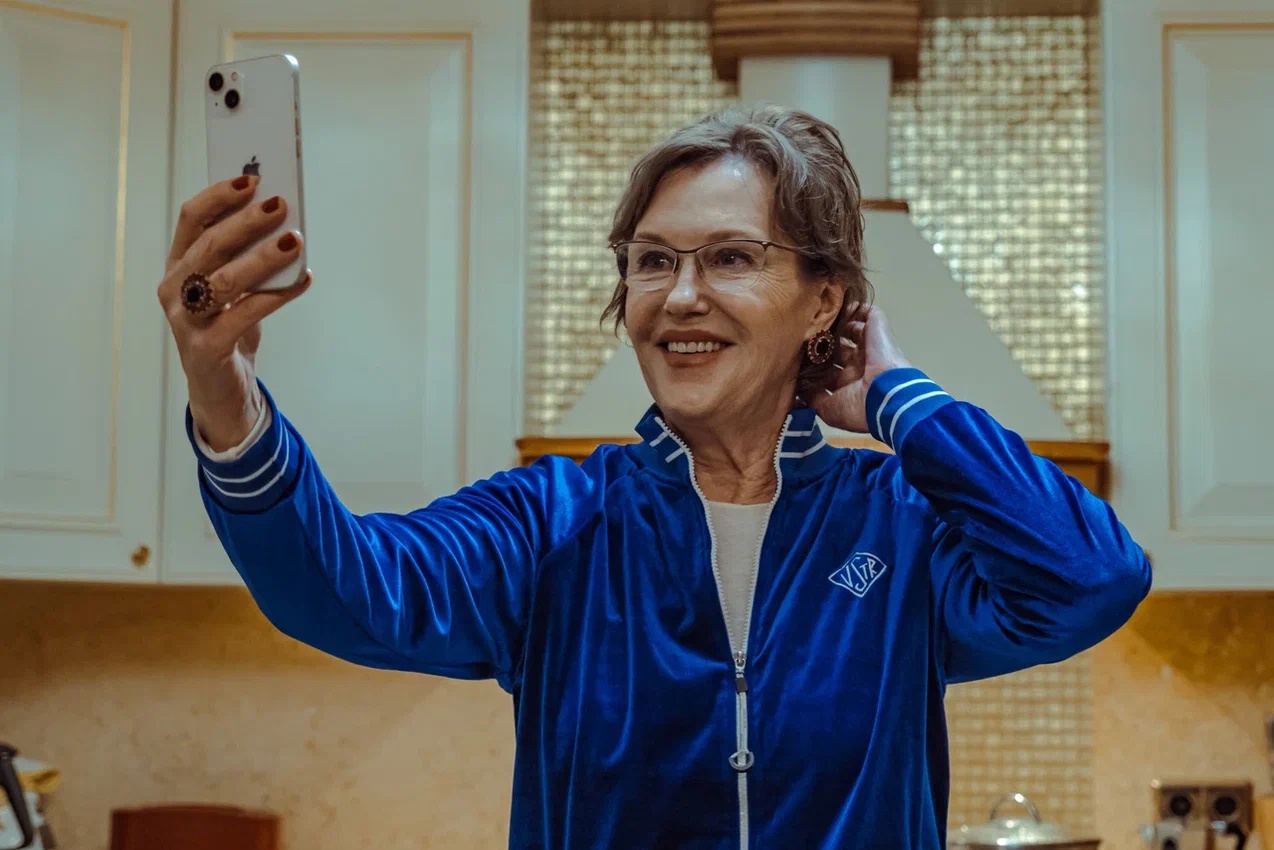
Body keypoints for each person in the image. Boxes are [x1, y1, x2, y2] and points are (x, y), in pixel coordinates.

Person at [157, 104, 1152, 849]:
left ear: (823, 303)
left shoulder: (897, 529)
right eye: (650, 261)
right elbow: (337, 591)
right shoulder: (552, 523)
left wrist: (897, 398)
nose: (679, 297)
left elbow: (1091, 578)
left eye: (730, 258)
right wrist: (223, 389)